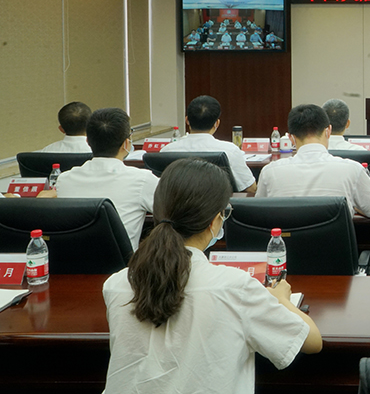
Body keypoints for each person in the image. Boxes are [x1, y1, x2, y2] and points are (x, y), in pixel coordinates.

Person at [102, 159, 321, 393]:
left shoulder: (116, 285)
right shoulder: (234, 287)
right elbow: (312, 341)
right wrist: (282, 300)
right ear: (215, 221)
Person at [256, 104, 370, 220]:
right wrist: (354, 206)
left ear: (291, 138)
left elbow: (258, 215)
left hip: (285, 243)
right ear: (328, 131)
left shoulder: (269, 172)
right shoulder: (353, 169)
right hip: (335, 243)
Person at [55, 108, 158, 249]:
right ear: (126, 144)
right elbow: (174, 213)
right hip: (125, 262)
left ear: (88, 141)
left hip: (73, 261)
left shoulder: (64, 180)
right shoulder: (142, 180)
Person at [161, 95, 257, 195]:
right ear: (217, 123)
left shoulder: (167, 151)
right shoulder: (229, 150)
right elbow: (251, 188)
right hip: (218, 203)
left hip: (178, 204)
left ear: (187, 120)